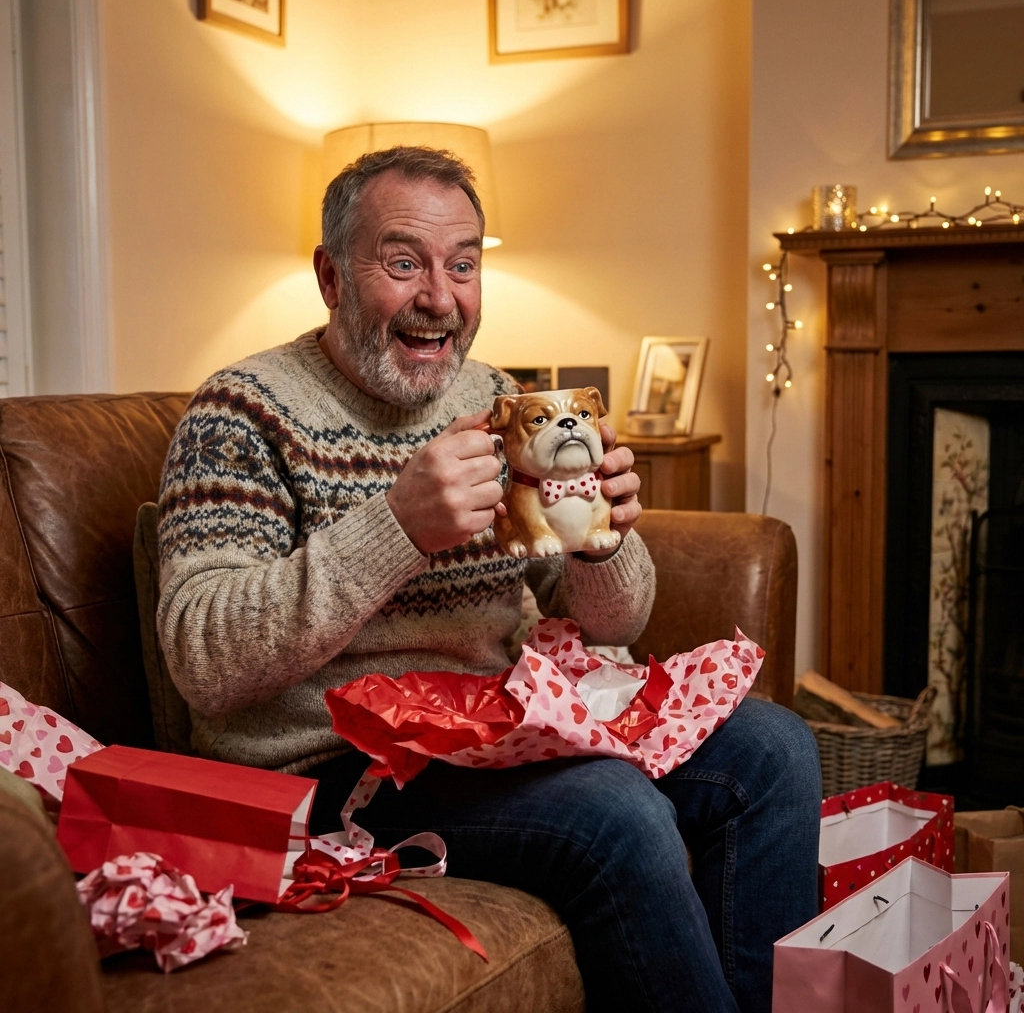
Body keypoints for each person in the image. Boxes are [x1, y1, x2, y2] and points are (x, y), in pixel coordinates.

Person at [157, 146, 821, 1013]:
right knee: (615, 813)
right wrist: (397, 527)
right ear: (330, 276)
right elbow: (205, 659)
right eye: (403, 262)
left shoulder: (501, 398)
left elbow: (613, 622)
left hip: (499, 730)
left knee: (775, 750)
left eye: (463, 264)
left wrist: (602, 540)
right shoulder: (241, 415)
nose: (440, 296)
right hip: (331, 769)